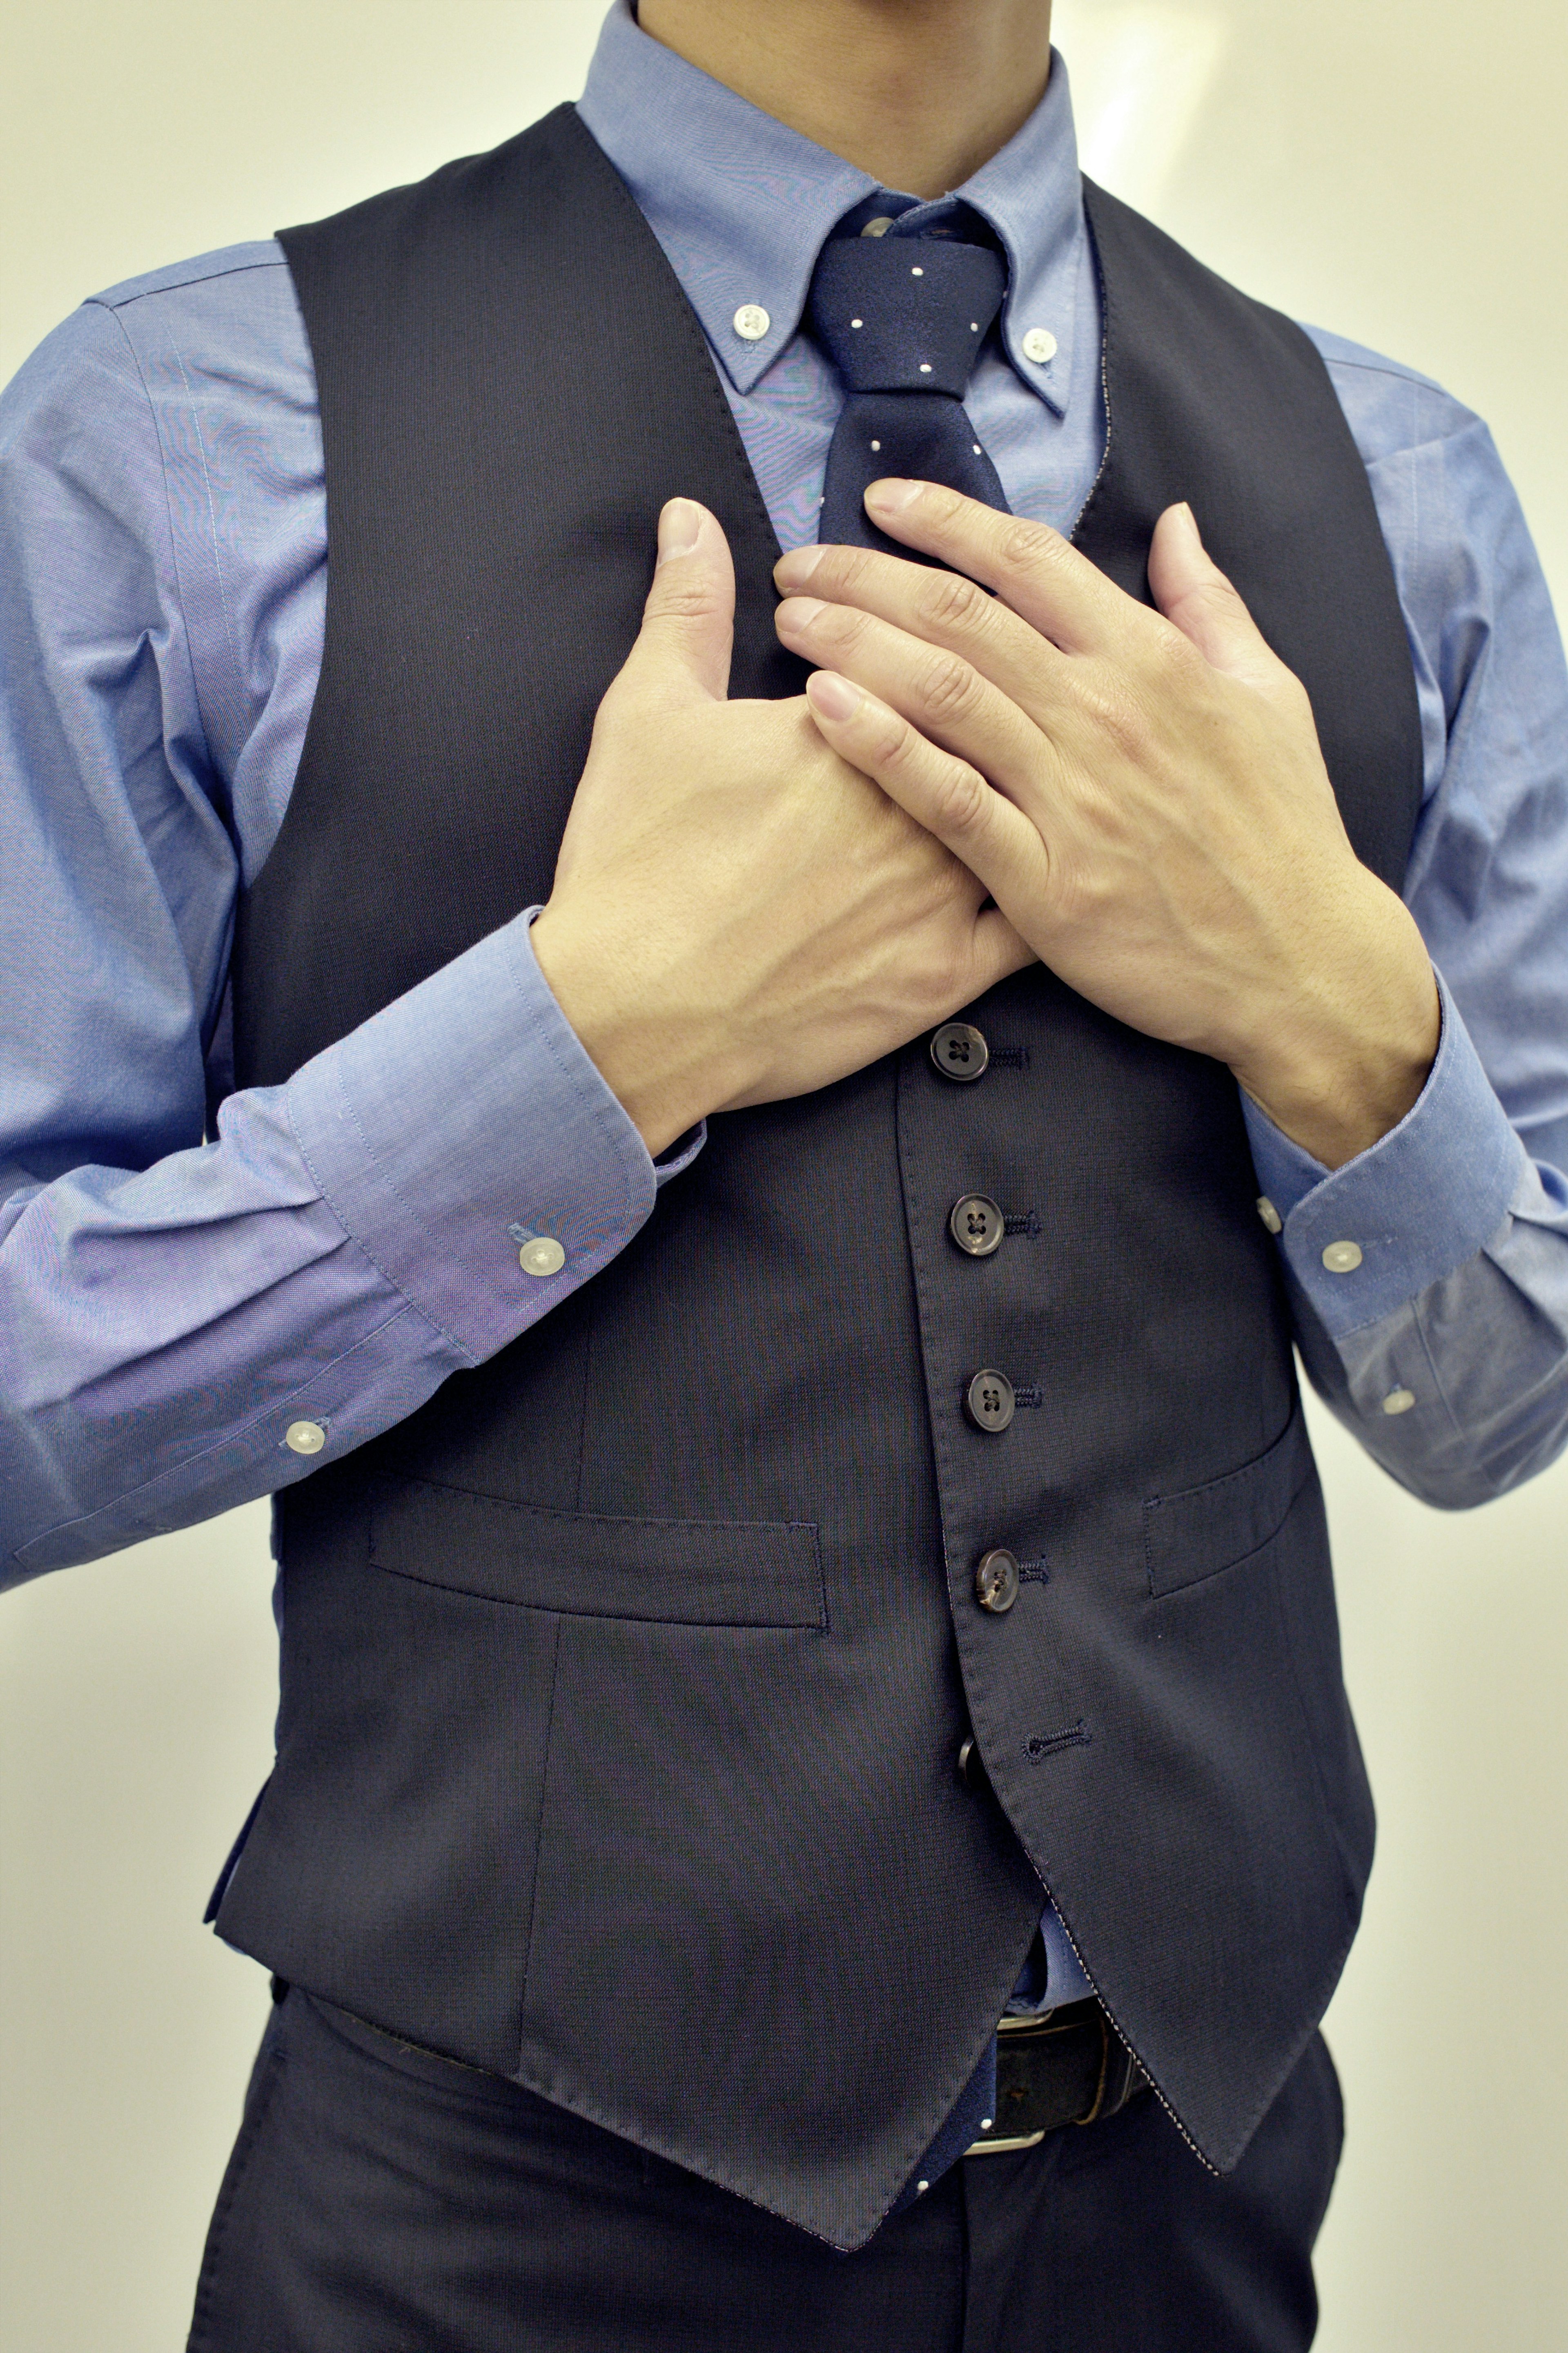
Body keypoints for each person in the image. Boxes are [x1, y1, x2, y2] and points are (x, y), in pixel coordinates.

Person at [3, 0, 1567, 2344]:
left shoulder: (1405, 481)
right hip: (488, 2241)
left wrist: (1339, 1014)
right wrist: (586, 1050)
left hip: (1194, 2215)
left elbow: (1501, 1391)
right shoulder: (173, 436)